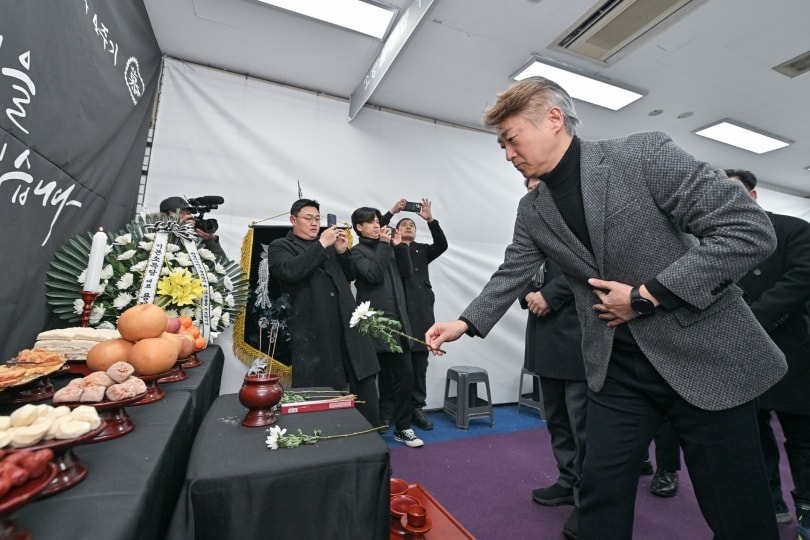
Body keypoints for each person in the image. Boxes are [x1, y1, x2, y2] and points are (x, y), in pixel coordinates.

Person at [424, 76, 787, 540]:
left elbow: (747, 230)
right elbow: (512, 270)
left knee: (735, 507)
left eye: (512, 139)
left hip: (704, 357)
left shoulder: (642, 155)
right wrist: (465, 322)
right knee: (599, 495)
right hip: (617, 367)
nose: (508, 154)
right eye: (502, 146)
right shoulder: (532, 210)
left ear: (553, 119)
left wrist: (647, 295)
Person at [726, 168, 810, 533]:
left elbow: (800, 281)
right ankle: (771, 502)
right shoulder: (719, 242)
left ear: (753, 195)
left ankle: (807, 509)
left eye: (733, 191)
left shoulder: (794, 229)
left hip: (792, 355)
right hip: (742, 359)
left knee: (803, 441)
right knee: (754, 438)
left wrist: (750, 319)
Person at [265, 199, 381, 427]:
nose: (314, 223)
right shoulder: (281, 246)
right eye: (308, 218)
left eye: (317, 219)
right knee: (320, 388)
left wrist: (342, 251)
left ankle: (371, 433)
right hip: (314, 329)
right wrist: (321, 245)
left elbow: (350, 275)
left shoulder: (329, 246)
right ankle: (324, 437)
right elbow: (290, 272)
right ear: (293, 220)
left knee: (364, 378)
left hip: (347, 324)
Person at [520, 177, 586, 536]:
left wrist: (551, 294)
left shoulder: (579, 219)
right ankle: (567, 479)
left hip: (578, 338)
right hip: (545, 339)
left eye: (539, 185)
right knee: (557, 420)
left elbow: (589, 266)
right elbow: (519, 269)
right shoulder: (532, 228)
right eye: (529, 187)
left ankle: (588, 500)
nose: (534, 192)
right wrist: (529, 292)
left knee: (583, 427)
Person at [350, 206, 423, 448]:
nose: (376, 225)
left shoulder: (389, 247)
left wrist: (399, 247)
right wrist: (384, 245)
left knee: (405, 375)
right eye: (370, 222)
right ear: (359, 227)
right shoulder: (356, 252)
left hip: (398, 322)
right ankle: (372, 425)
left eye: (377, 221)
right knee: (372, 380)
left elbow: (407, 273)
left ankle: (403, 427)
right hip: (372, 325)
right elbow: (373, 275)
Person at [377, 197, 448, 431]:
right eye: (404, 224)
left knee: (418, 366)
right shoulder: (387, 247)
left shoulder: (423, 250)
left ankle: (416, 407)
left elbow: (442, 244)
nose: (408, 227)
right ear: (395, 231)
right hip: (393, 312)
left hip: (420, 314)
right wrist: (392, 211)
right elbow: (376, 229)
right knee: (390, 366)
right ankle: (387, 411)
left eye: (412, 225)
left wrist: (430, 220)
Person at [159, 196, 227, 259]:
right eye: (180, 212)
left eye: (188, 213)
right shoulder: (156, 236)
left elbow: (223, 265)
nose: (186, 216)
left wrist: (210, 240)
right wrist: (177, 231)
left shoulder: (196, 239)